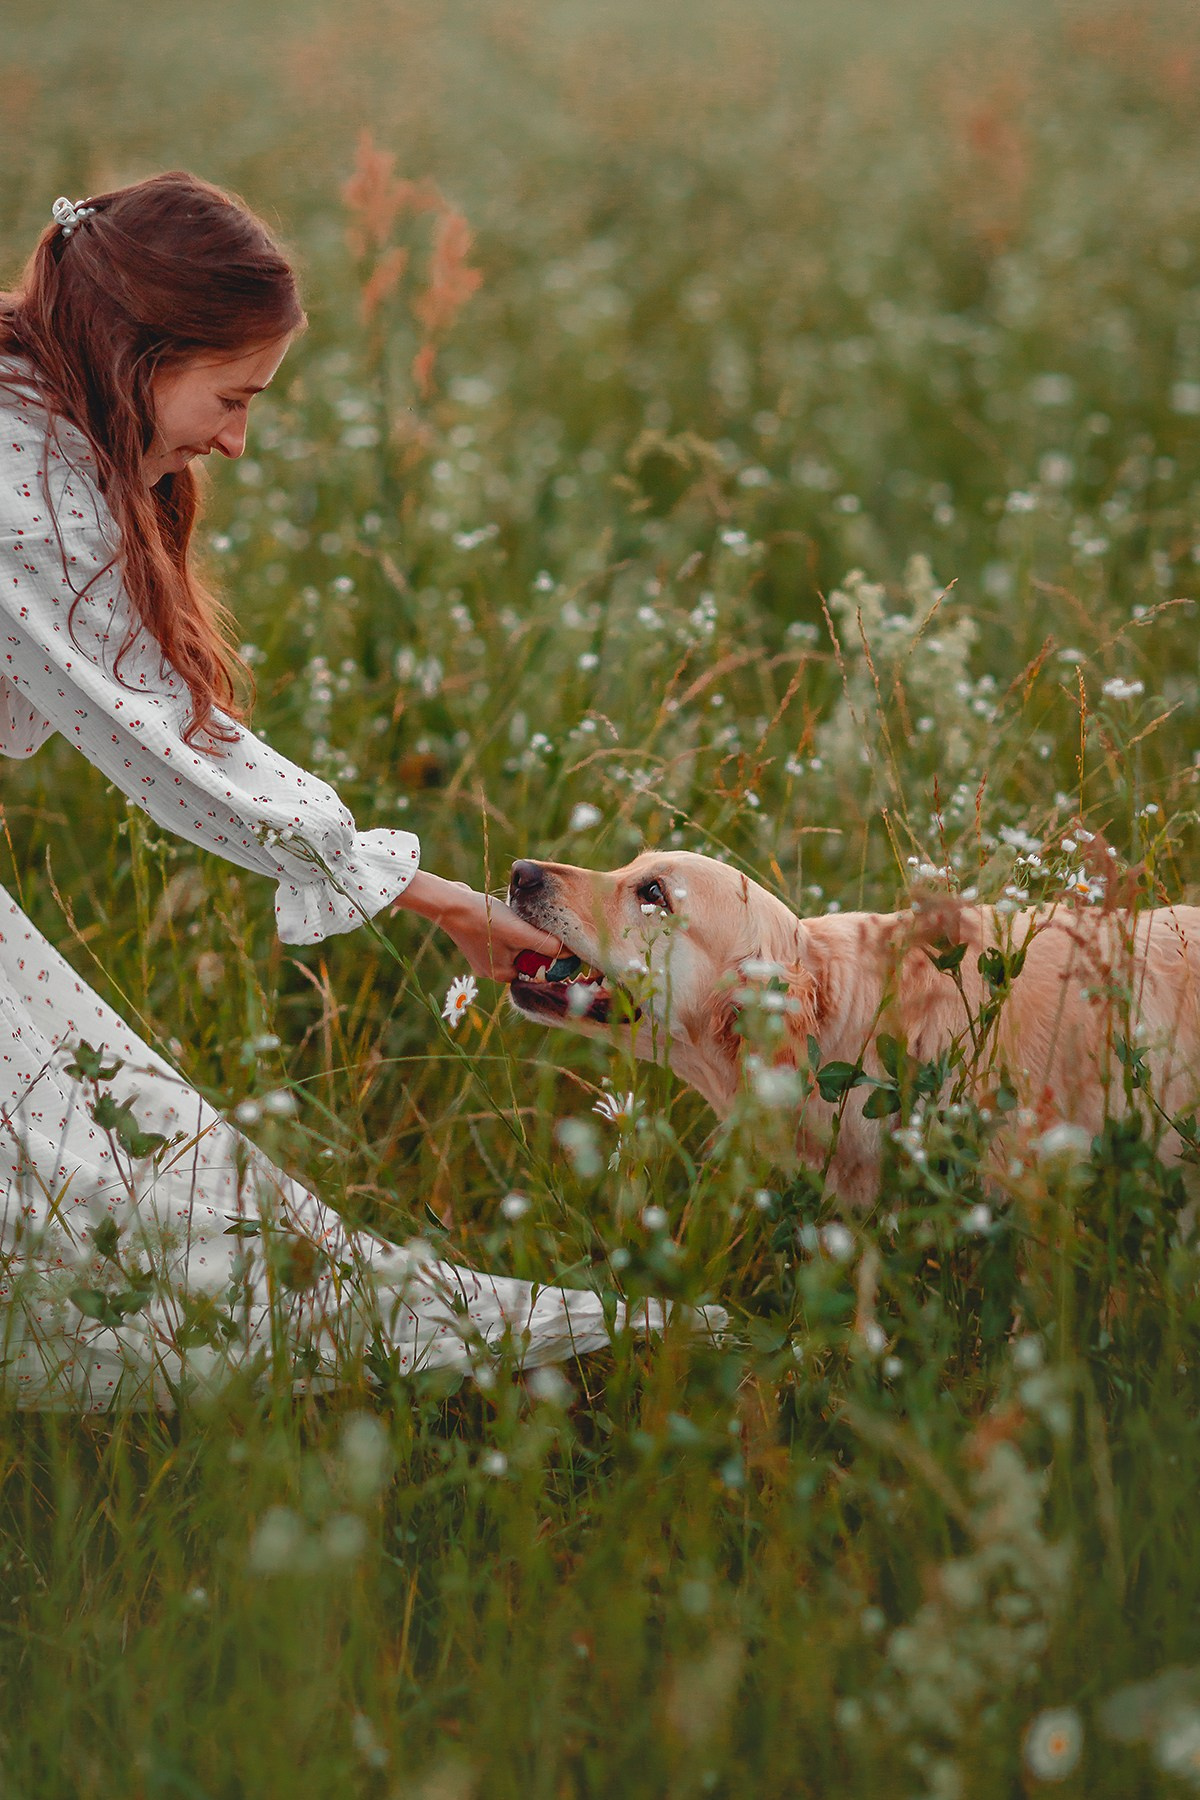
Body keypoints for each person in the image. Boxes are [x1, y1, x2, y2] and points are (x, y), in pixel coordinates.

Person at [0, 172, 717, 1409]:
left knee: (120, 1181)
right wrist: (441, 900)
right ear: (135, 353)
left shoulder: (30, 417)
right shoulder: (27, 488)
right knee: (136, 1201)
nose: (237, 440)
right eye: (230, 397)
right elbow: (180, 751)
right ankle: (553, 1361)